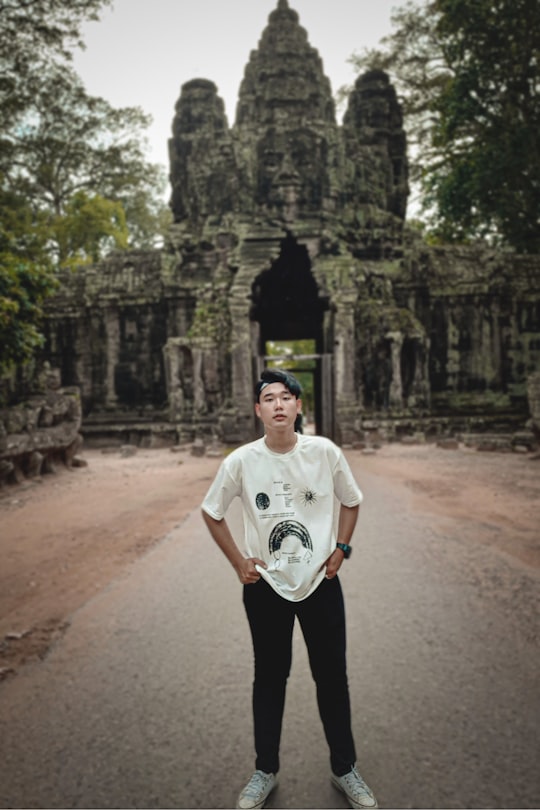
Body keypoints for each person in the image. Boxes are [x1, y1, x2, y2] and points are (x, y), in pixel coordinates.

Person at [201, 368, 377, 810]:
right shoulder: (241, 461)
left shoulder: (324, 453)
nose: (278, 404)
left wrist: (341, 549)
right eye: (269, 398)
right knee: (270, 678)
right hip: (266, 587)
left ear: (299, 406)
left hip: (321, 583)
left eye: (286, 397)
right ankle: (264, 770)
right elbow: (211, 511)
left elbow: (352, 501)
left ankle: (344, 769)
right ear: (258, 410)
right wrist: (238, 560)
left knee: (332, 678)